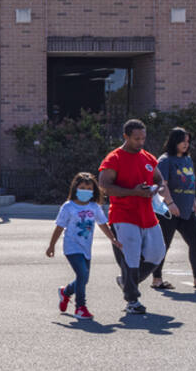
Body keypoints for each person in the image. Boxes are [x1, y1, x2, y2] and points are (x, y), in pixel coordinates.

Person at [98, 118, 167, 316]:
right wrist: (134, 192)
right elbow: (104, 185)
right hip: (123, 215)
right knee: (131, 257)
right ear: (126, 137)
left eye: (143, 138)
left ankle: (127, 282)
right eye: (136, 139)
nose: (140, 142)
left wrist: (158, 188)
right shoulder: (114, 158)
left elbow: (159, 179)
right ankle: (132, 300)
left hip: (147, 214)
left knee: (157, 253)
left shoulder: (147, 157)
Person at [46, 171, 120, 319]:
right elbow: (59, 227)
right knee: (82, 274)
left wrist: (113, 239)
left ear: (93, 190)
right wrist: (51, 245)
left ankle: (65, 292)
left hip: (86, 247)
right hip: (72, 247)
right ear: (75, 188)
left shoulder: (94, 207)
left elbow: (102, 224)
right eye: (82, 188)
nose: (85, 191)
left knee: (84, 278)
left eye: (89, 189)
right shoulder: (68, 207)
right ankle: (80, 307)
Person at [151, 127, 196, 291]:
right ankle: (157, 279)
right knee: (164, 244)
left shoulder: (188, 160)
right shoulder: (165, 161)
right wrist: (170, 203)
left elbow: (190, 183)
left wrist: (194, 201)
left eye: (188, 141)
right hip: (169, 211)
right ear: (174, 141)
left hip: (187, 210)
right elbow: (162, 185)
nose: (186, 145)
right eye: (183, 141)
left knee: (195, 242)